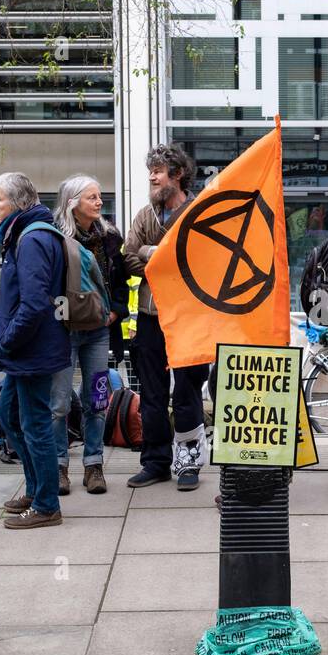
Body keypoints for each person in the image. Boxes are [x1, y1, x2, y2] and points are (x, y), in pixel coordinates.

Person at [122, 143, 210, 492]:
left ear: (178, 175)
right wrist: (156, 256)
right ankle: (155, 462)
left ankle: (188, 462)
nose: (152, 178)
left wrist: (155, 257)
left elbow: (205, 260)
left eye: (158, 172)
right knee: (153, 394)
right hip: (150, 316)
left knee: (188, 392)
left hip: (190, 317)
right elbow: (128, 257)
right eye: (150, 173)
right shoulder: (145, 215)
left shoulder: (199, 211)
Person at [0, 172, 71, 528]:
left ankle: (47, 504)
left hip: (31, 349)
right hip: (28, 348)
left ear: (19, 203)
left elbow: (35, 303)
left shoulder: (33, 238)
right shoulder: (25, 233)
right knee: (8, 416)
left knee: (35, 424)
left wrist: (8, 341)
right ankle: (37, 489)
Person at [51, 174, 129, 495]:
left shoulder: (110, 238)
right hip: (64, 331)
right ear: (73, 204)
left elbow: (121, 281)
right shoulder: (54, 238)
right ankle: (59, 467)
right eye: (91, 198)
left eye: (99, 197)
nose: (99, 203)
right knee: (57, 403)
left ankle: (93, 465)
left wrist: (115, 311)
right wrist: (57, 317)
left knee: (97, 399)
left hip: (98, 331)